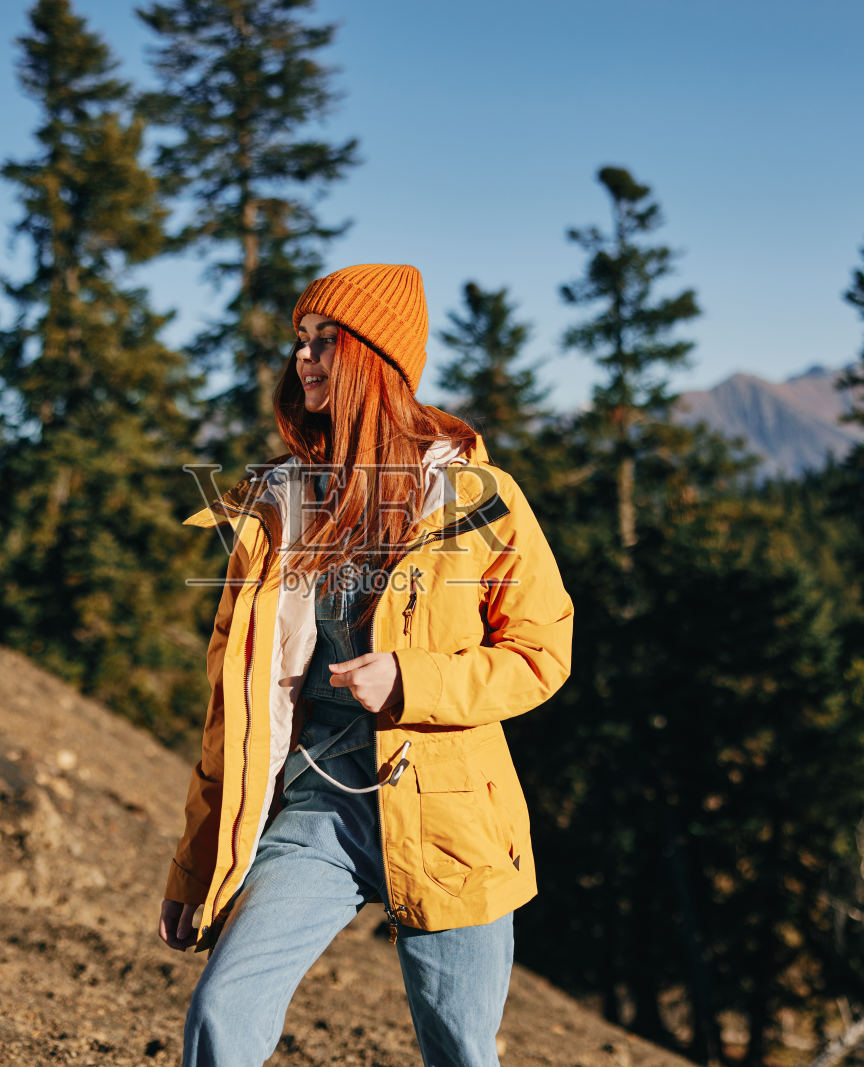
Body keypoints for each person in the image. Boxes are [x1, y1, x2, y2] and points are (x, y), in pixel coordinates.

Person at [157, 263, 574, 1066]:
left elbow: (540, 650)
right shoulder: (282, 505)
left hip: (452, 817)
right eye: (301, 342)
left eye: (327, 341)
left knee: (459, 1050)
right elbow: (233, 712)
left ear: (375, 361)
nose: (306, 358)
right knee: (222, 1008)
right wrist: (195, 866)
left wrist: (412, 681)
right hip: (321, 804)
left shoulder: (480, 497)